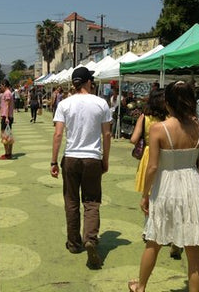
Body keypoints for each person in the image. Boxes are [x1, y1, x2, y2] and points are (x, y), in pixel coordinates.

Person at [128, 81, 199, 292]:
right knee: (193, 249)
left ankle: (140, 287)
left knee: (154, 241)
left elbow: (152, 167)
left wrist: (145, 195)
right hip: (191, 186)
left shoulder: (159, 129)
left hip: (165, 186)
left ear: (167, 103)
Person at [50, 66, 111, 270]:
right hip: (93, 158)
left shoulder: (65, 104)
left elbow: (58, 134)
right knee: (92, 201)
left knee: (71, 200)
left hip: (71, 157)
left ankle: (74, 243)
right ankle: (90, 240)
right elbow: (107, 135)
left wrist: (53, 161)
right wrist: (105, 159)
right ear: (87, 82)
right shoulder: (101, 103)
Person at [130, 89, 182, 259]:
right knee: (166, 194)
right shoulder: (171, 119)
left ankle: (148, 230)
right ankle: (172, 233)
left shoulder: (144, 117)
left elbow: (133, 138)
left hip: (148, 156)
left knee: (149, 195)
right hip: (167, 157)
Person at [0, 79, 14, 160]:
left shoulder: (7, 93)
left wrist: (6, 117)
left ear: (4, 85)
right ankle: (9, 153)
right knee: (9, 135)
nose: (0, 87)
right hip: (7, 116)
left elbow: (7, 105)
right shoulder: (8, 93)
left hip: (6, 117)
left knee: (5, 135)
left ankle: (7, 153)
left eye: (1, 85)